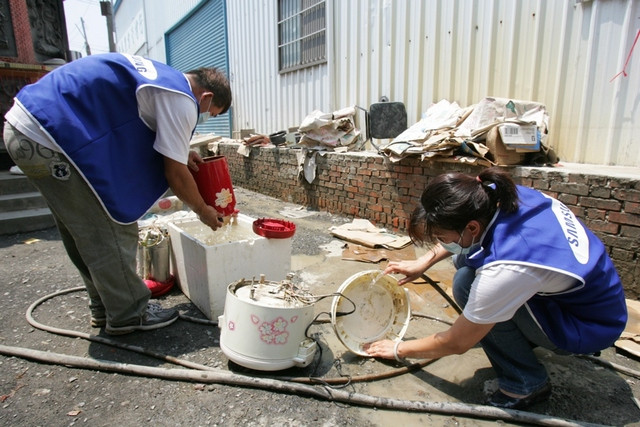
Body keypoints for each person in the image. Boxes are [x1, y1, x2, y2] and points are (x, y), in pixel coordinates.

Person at [3, 53, 232, 335]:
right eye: (211, 113)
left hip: (25, 130)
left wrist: (181, 152)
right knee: (112, 223)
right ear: (206, 97)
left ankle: (105, 307)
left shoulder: (162, 79)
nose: (205, 118)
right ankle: (128, 313)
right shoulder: (182, 99)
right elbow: (175, 174)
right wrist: (202, 209)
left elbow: (134, 124)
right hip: (48, 136)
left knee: (81, 227)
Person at [365, 167, 627, 410]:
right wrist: (422, 263)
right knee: (467, 262)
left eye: (442, 238)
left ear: (471, 227)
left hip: (588, 326)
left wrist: (399, 349)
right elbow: (466, 238)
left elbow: (457, 342)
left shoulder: (508, 266)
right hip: (588, 298)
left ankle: (525, 384)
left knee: (467, 285)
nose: (442, 243)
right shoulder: (501, 195)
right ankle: (520, 339)